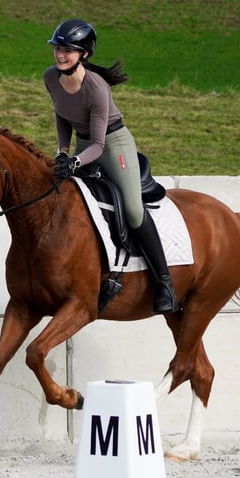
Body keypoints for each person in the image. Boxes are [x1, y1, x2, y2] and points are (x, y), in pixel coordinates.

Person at [44, 19, 180, 314]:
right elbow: (61, 114)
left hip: (112, 144)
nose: (60, 55)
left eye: (68, 50)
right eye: (58, 48)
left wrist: (76, 161)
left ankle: (165, 283)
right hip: (83, 144)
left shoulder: (96, 87)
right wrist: (62, 152)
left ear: (84, 54)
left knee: (132, 210)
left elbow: (98, 145)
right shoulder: (50, 77)